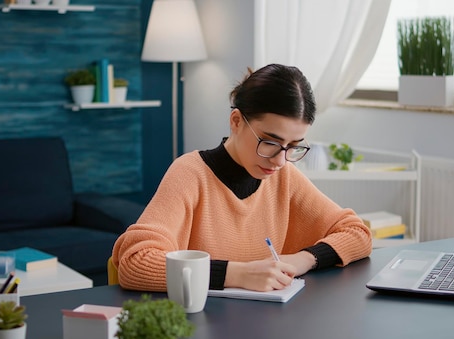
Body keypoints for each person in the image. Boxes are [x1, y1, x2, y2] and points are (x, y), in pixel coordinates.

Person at [112, 63, 372, 292]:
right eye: (270, 142)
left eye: (293, 146)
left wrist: (302, 259)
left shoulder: (285, 178)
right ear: (236, 121)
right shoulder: (190, 174)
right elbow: (136, 263)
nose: (280, 160)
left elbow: (357, 233)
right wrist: (238, 274)